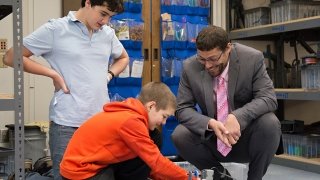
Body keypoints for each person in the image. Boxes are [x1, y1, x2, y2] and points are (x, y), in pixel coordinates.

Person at [3, 0, 129, 179]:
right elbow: (10, 56)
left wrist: (108, 75)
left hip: (100, 124)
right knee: (65, 176)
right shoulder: (56, 29)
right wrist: (53, 74)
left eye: (110, 17)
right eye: (103, 14)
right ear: (87, 3)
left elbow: (123, 58)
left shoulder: (107, 34)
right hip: (67, 124)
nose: (106, 22)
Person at [171, 25, 283, 180]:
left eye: (213, 59)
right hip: (213, 138)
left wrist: (237, 117)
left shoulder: (252, 59)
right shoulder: (190, 67)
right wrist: (209, 123)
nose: (207, 65)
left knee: (270, 123)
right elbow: (182, 109)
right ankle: (222, 178)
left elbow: (268, 98)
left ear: (228, 48)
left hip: (245, 137)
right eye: (202, 59)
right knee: (180, 134)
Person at [60, 82, 198, 180]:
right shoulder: (131, 121)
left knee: (155, 137)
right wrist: (188, 178)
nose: (164, 122)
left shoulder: (130, 115)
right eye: (164, 116)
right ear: (151, 106)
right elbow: (155, 162)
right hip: (81, 171)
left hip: (96, 165)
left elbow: (149, 166)